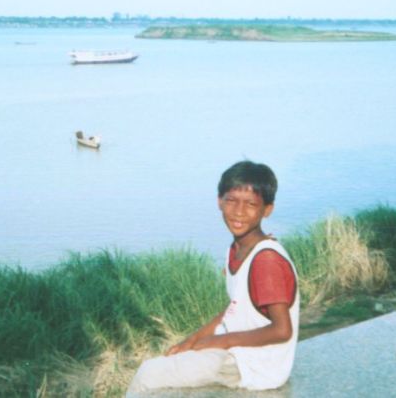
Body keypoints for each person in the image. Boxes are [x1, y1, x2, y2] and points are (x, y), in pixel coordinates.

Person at [127, 160, 299, 394]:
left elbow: (282, 330)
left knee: (148, 373)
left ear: (267, 209)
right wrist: (192, 340)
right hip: (239, 352)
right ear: (219, 201)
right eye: (231, 201)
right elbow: (237, 308)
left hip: (252, 365)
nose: (239, 211)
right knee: (172, 358)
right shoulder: (238, 248)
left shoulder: (266, 261)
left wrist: (218, 342)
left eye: (250, 204)